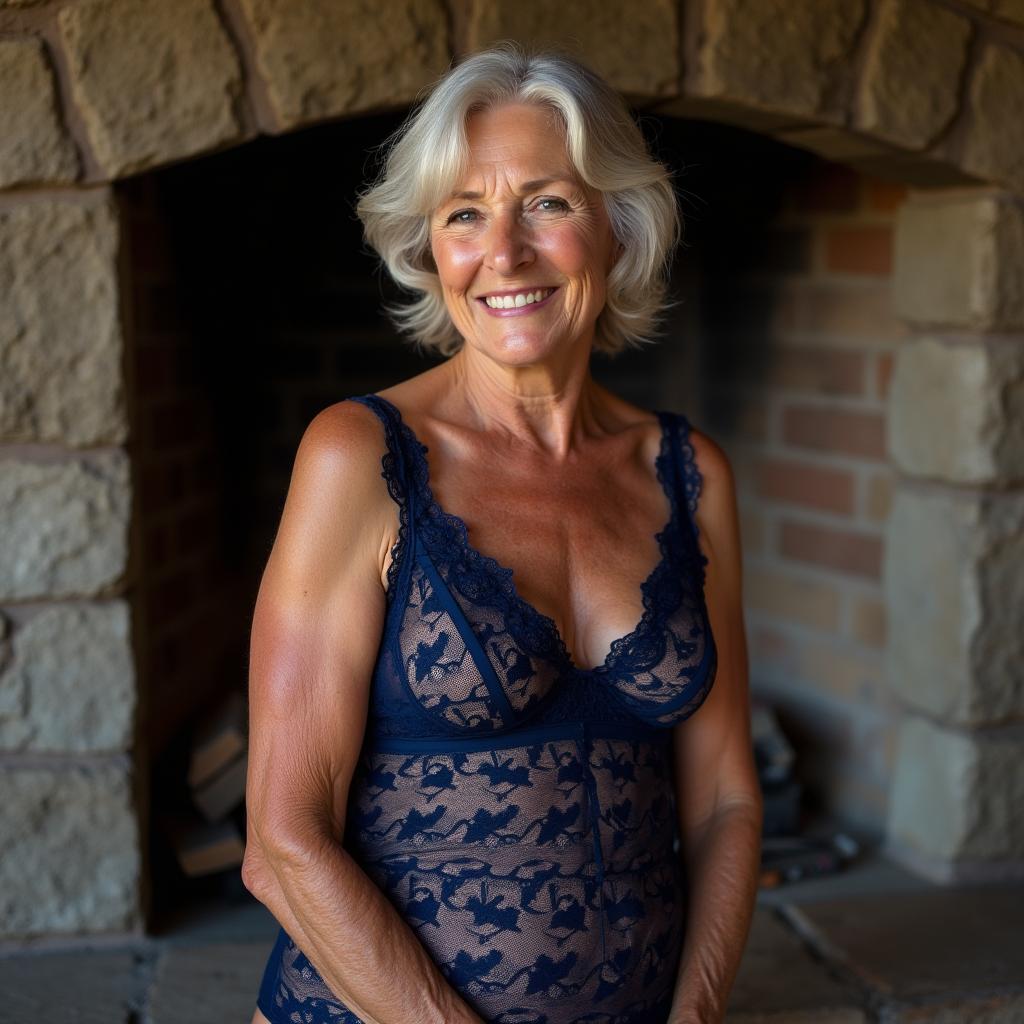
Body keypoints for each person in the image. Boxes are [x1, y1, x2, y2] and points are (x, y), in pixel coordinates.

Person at [244, 42, 762, 1024]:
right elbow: (280, 841)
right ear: (430, 247)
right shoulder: (360, 456)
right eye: (464, 214)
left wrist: (694, 1015)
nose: (505, 253)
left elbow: (726, 799)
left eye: (547, 202)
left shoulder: (690, 474)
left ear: (617, 222)